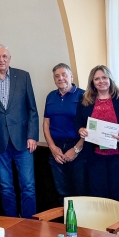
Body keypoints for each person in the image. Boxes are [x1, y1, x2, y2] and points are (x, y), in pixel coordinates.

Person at [0, 45, 39, 218]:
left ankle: (30, 223)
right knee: (5, 187)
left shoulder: (23, 76)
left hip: (23, 141)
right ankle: (11, 223)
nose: (1, 59)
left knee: (28, 186)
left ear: (9, 58)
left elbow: (32, 109)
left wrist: (32, 136)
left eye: (4, 56)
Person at [76, 65, 119, 206]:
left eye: (104, 77)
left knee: (117, 193)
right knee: (98, 195)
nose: (101, 81)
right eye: (97, 79)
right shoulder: (84, 99)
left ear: (110, 79)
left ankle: (118, 221)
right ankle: (101, 221)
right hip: (95, 156)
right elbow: (78, 121)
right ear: (92, 82)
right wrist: (81, 130)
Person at [42, 63, 86, 204]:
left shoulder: (83, 95)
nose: (60, 78)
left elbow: (89, 126)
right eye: (57, 76)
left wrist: (76, 149)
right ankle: (66, 219)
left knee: (80, 191)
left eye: (64, 75)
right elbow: (46, 124)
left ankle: (81, 219)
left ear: (71, 76)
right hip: (57, 148)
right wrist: (52, 148)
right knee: (62, 192)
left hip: (78, 147)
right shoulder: (50, 96)